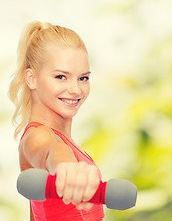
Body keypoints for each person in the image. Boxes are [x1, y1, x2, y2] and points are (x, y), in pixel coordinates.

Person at [9, 21, 104, 221]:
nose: (76, 90)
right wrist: (65, 167)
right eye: (61, 77)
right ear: (31, 78)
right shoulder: (38, 136)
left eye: (83, 78)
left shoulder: (64, 139)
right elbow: (51, 151)